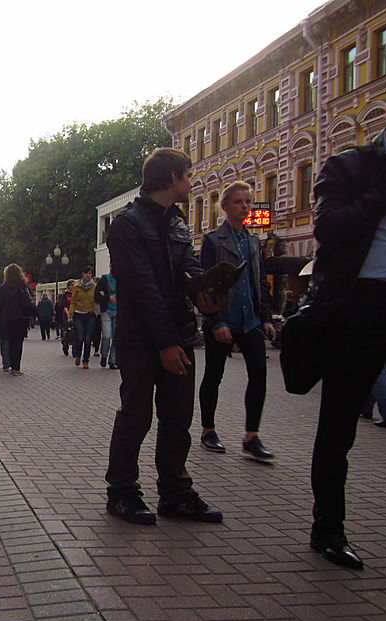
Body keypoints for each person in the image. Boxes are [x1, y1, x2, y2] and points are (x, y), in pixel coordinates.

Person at [306, 72, 386, 569]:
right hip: (360, 305)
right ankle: (328, 528)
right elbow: (328, 228)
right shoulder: (350, 166)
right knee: (339, 425)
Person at [105, 148, 223, 526]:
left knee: (178, 419)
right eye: (188, 175)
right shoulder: (126, 224)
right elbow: (143, 288)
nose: (191, 181)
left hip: (179, 333)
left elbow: (186, 268)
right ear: (172, 177)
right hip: (142, 339)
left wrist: (204, 293)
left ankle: (175, 493)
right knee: (136, 417)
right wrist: (166, 343)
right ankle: (122, 492)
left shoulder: (177, 221)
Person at [197, 181, 277, 462]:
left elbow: (259, 283)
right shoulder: (212, 240)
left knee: (259, 375)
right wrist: (216, 321)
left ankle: (251, 436)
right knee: (214, 375)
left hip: (249, 319)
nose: (245, 206)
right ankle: (208, 430)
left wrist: (266, 318)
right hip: (223, 318)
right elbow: (206, 285)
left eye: (248, 201)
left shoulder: (253, 241)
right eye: (238, 202)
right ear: (225, 206)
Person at [0, 264, 36, 375]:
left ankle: (11, 365)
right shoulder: (22, 286)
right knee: (18, 343)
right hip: (20, 318)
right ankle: (16, 368)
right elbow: (29, 301)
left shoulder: (2, 288)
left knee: (10, 342)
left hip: (6, 319)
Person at [69, 266, 97, 369]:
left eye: (90, 273)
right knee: (80, 337)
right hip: (78, 315)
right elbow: (73, 301)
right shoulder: (77, 286)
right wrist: (70, 315)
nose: (88, 275)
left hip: (90, 314)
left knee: (88, 339)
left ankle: (86, 360)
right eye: (86, 273)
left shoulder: (94, 286)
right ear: (83, 274)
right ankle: (78, 355)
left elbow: (97, 299)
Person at [96, 271, 118, 369]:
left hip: (118, 311)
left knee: (116, 337)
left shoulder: (121, 279)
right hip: (106, 311)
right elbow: (97, 295)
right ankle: (104, 355)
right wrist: (108, 297)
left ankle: (112, 360)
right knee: (107, 335)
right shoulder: (104, 279)